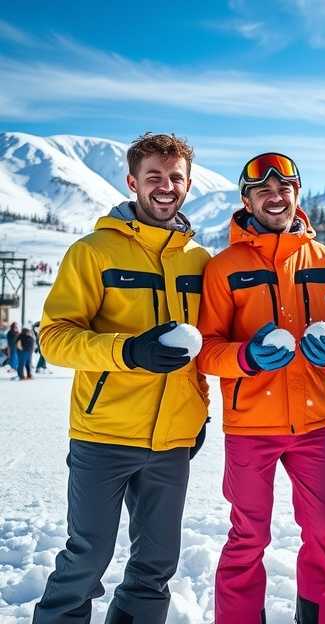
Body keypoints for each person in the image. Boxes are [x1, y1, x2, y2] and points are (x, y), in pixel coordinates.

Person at [34, 133, 211, 624]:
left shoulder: (200, 261)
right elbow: (54, 337)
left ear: (189, 185)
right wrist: (128, 351)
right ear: (132, 182)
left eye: (175, 177)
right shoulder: (93, 252)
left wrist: (200, 410)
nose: (165, 186)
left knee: (156, 565)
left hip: (173, 439)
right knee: (85, 559)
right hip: (103, 433)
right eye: (153, 176)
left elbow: (208, 347)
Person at [197, 152, 325, 624]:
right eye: (262, 189)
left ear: (298, 195)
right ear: (246, 199)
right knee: (248, 536)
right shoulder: (223, 266)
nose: (274, 195)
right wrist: (246, 357)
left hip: (313, 424)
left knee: (324, 534)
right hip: (250, 426)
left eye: (284, 187)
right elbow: (205, 349)